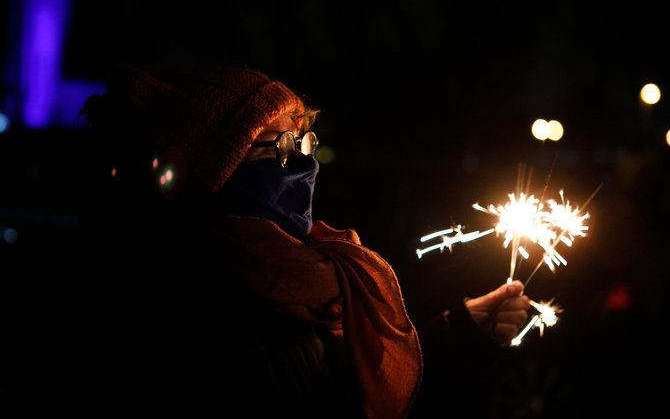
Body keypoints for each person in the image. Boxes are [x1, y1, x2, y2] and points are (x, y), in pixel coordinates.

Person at [74, 64, 529, 418]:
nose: (307, 165)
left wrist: (457, 339)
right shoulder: (176, 301)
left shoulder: (309, 280)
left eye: (307, 141)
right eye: (286, 146)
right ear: (218, 168)